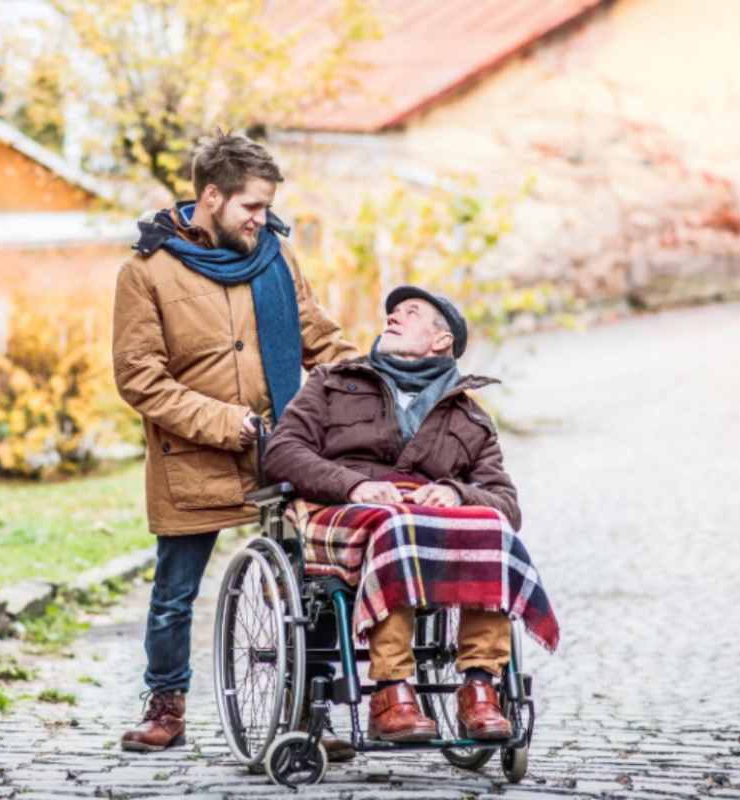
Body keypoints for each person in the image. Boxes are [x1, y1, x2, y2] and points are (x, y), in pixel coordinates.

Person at [112, 133, 357, 752]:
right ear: (212, 195)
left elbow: (318, 337)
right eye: (251, 205)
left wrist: (372, 383)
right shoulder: (145, 272)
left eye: (267, 206)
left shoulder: (274, 257)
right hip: (193, 457)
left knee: (316, 583)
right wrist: (227, 422)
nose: (262, 218)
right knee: (174, 596)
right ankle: (164, 707)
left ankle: (306, 716)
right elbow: (140, 377)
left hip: (281, 454)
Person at [263, 286, 559, 743]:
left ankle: (480, 688)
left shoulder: (471, 419)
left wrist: (457, 493)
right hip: (341, 511)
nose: (393, 316)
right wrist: (355, 485)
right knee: (397, 526)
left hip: (422, 523)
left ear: (441, 341)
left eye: (411, 312)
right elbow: (282, 452)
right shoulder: (332, 383)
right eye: (393, 311)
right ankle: (391, 689)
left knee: (492, 529)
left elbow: (506, 503)